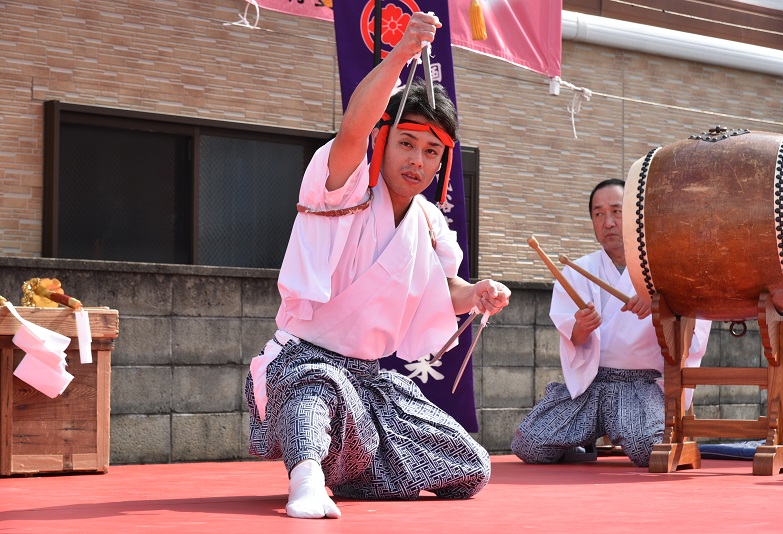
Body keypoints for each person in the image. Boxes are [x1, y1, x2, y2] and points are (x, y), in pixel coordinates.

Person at [244, 12, 511, 520]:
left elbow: (442, 289)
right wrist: (401, 55)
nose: (417, 159)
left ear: (442, 163)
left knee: (470, 466)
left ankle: (346, 467)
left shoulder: (429, 222)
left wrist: (476, 292)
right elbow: (352, 129)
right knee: (315, 391)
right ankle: (307, 476)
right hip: (303, 361)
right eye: (406, 143)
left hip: (369, 380)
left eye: (431, 151)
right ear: (383, 140)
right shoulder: (344, 185)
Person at [511, 178, 711, 468]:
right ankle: (580, 443)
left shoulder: (664, 270)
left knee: (650, 451)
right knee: (528, 444)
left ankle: (630, 433)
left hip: (639, 385)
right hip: (590, 384)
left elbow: (694, 331)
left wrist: (660, 308)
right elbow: (573, 338)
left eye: (617, 211)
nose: (608, 222)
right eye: (599, 213)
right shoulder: (579, 270)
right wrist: (580, 327)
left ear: (634, 216)